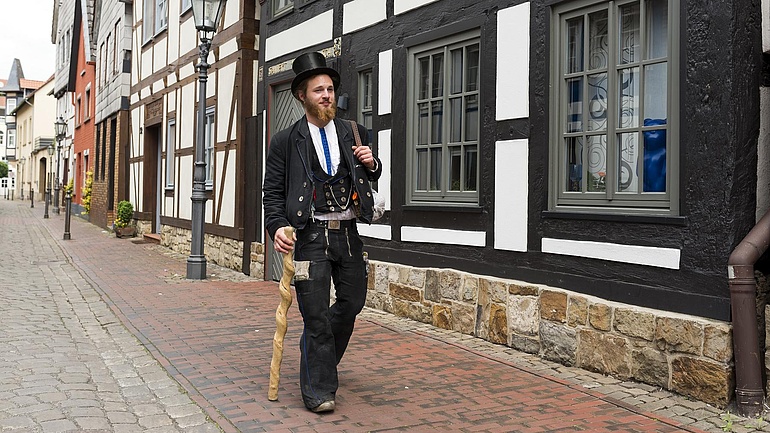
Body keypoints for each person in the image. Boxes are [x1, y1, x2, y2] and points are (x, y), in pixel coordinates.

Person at [263, 51, 382, 413]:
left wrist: (372, 164)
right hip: (310, 237)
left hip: (347, 233)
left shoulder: (354, 132)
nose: (327, 95)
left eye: (330, 89)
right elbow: (272, 193)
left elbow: (370, 175)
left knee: (351, 304)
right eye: (319, 90)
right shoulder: (286, 140)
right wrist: (277, 226)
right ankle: (319, 391)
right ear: (302, 95)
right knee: (315, 315)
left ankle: (318, 360)